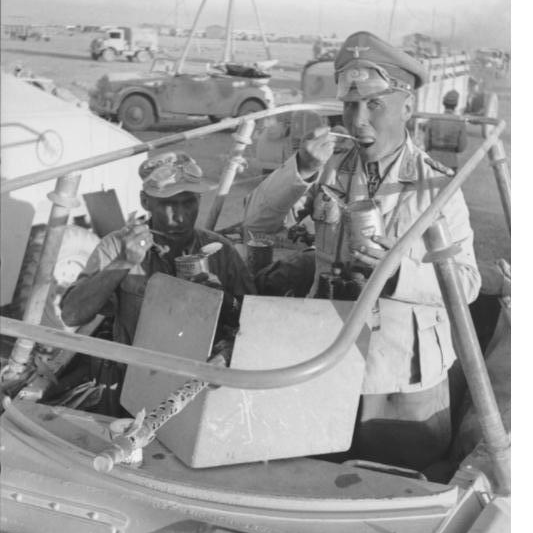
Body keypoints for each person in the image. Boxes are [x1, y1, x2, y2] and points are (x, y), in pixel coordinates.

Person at [243, 31, 481, 471]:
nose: (358, 121)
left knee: (395, 486)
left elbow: (467, 283)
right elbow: (257, 223)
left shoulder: (436, 185)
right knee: (310, 475)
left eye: (374, 105)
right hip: (322, 360)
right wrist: (302, 168)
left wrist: (398, 275)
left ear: (407, 107)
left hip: (399, 380)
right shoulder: (328, 166)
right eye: (350, 105)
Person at [61, 150, 255, 347]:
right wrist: (123, 263)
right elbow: (71, 315)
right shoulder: (118, 246)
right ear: (145, 201)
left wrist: (222, 299)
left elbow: (255, 322)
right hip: (139, 368)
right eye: (168, 204)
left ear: (198, 200)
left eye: (189, 202)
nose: (181, 217)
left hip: (201, 369)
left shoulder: (220, 251)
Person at [424, 89, 468, 174]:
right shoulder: (460, 122)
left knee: (430, 186)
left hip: (433, 161)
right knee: (449, 187)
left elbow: (426, 143)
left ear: (443, 103)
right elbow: (462, 147)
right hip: (451, 162)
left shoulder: (433, 119)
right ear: (456, 105)